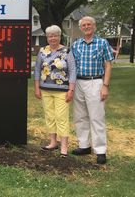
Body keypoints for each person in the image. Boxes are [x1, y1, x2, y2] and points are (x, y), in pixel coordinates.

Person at [71, 16, 114, 164]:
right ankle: (84, 146)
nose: (87, 27)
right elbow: (72, 66)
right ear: (81, 28)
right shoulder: (76, 45)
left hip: (95, 82)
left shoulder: (102, 43)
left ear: (94, 26)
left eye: (89, 24)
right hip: (78, 83)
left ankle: (100, 150)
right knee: (80, 116)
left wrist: (105, 86)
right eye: (84, 25)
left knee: (96, 117)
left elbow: (108, 65)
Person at [34, 25, 76, 157]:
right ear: (47, 37)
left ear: (59, 36)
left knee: (61, 117)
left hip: (62, 90)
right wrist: (37, 87)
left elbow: (73, 70)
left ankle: (64, 146)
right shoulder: (42, 51)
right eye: (50, 36)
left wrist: (71, 89)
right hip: (45, 89)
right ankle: (53, 142)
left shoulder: (66, 51)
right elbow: (37, 70)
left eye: (55, 35)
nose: (53, 38)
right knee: (50, 116)